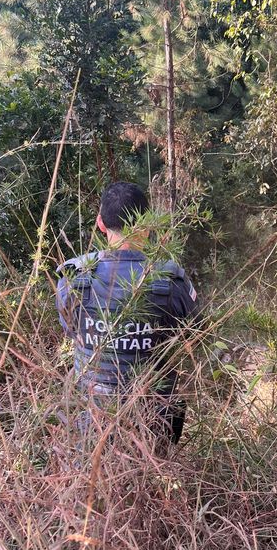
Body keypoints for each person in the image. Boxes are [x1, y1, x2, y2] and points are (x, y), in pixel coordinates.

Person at [56, 182, 198, 444]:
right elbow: (192, 338)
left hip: (91, 418)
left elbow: (73, 332)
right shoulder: (171, 281)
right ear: (148, 223)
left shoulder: (73, 277)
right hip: (152, 420)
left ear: (100, 223)